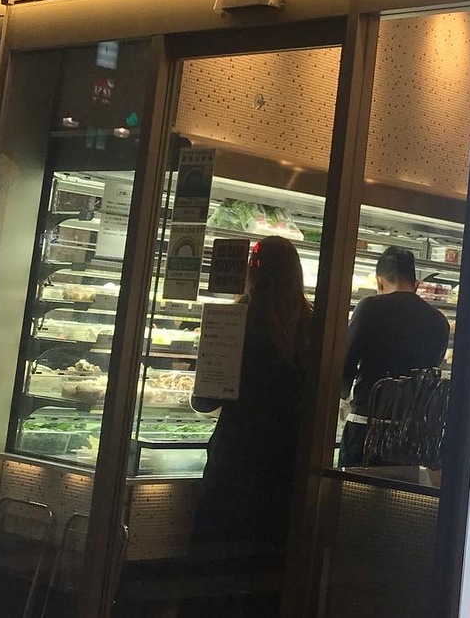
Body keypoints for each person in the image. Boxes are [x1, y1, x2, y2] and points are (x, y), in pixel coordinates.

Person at [187, 236, 312, 612]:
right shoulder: (315, 324)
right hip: (288, 465)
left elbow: (204, 401)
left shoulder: (233, 320)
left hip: (235, 460)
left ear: (251, 273)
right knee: (267, 578)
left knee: (216, 571)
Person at [339, 245, 450, 467]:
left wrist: (341, 397)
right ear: (416, 284)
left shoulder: (369, 308)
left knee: (355, 487)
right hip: (412, 436)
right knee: (399, 488)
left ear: (379, 281)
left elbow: (345, 362)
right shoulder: (439, 321)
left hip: (365, 428)